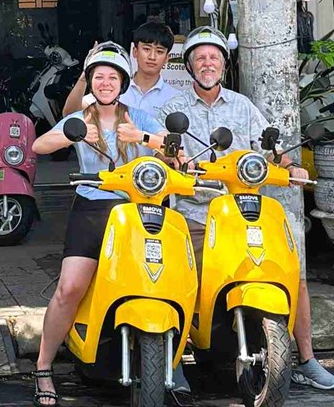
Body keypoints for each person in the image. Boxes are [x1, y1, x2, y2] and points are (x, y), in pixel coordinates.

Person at [158, 25, 334, 390]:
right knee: (179, 279)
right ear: (189, 66)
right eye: (200, 58)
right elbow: (165, 153)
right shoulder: (174, 109)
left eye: (214, 58)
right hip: (196, 214)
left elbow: (273, 147)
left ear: (224, 64)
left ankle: (304, 358)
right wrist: (177, 160)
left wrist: (290, 165)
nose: (208, 64)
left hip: (244, 213)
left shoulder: (242, 105)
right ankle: (170, 361)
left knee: (292, 274)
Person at [30, 42, 168, 406]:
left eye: (112, 77)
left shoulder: (140, 117)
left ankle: (161, 363)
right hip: (91, 211)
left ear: (122, 82)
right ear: (89, 82)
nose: (105, 83)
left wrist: (143, 139)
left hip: (137, 213)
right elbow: (39, 146)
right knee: (70, 288)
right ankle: (44, 367)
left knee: (154, 282)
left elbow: (176, 151)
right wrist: (72, 134)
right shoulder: (81, 119)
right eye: (98, 77)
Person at [62, 21, 180, 118]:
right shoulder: (113, 87)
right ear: (135, 52)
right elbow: (69, 114)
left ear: (166, 58)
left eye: (159, 51)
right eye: (147, 49)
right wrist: (86, 73)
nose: (152, 57)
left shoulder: (176, 98)